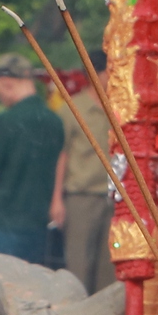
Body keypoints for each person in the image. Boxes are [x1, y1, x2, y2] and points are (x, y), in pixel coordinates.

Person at [0, 54, 65, 266]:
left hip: (3, 222)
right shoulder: (54, 120)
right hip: (38, 223)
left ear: (5, 83)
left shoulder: (7, 120)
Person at [51, 60, 114, 292]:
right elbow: (61, 154)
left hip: (113, 198)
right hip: (81, 197)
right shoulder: (72, 109)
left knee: (110, 267)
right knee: (79, 265)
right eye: (110, 71)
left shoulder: (121, 108)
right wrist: (57, 198)